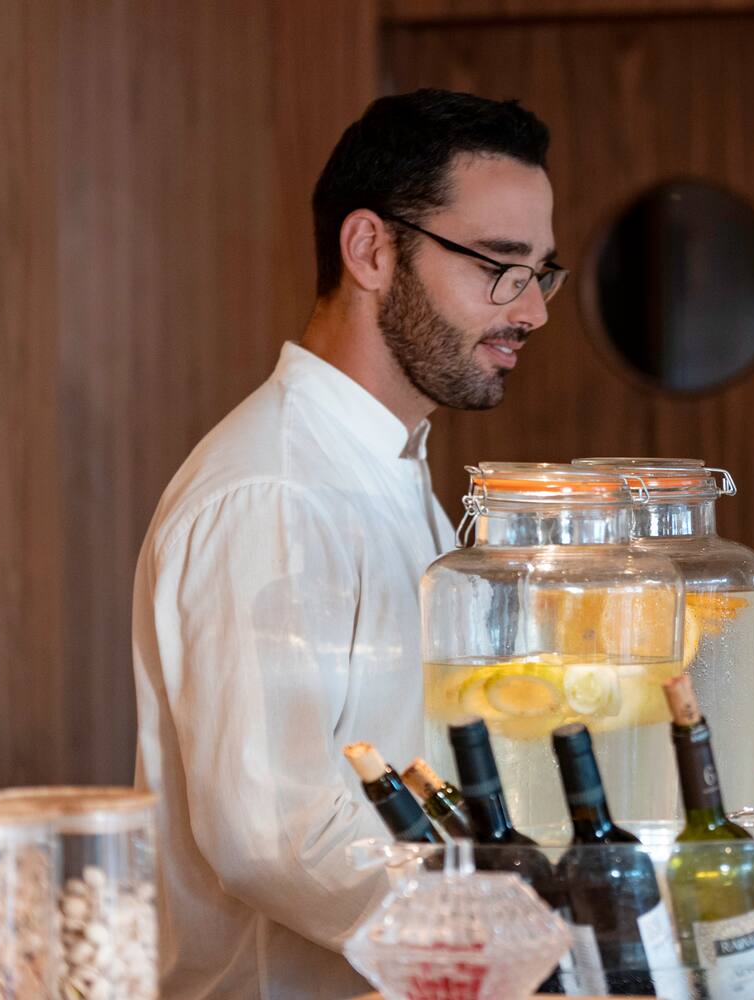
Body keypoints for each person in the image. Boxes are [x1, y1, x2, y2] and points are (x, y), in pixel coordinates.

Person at [131, 89, 563, 999]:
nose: (532, 312)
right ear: (371, 249)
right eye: (501, 267)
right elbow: (275, 835)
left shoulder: (390, 466)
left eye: (539, 275)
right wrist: (519, 960)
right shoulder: (272, 490)